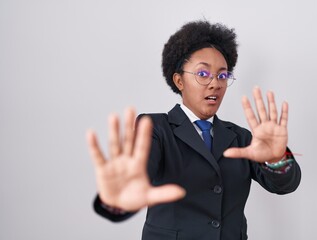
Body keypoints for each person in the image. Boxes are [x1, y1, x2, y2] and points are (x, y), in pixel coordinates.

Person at [86, 20, 301, 240]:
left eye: (222, 75)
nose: (215, 83)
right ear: (179, 80)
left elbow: (284, 185)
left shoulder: (242, 138)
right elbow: (138, 176)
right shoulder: (154, 128)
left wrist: (277, 158)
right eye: (203, 74)